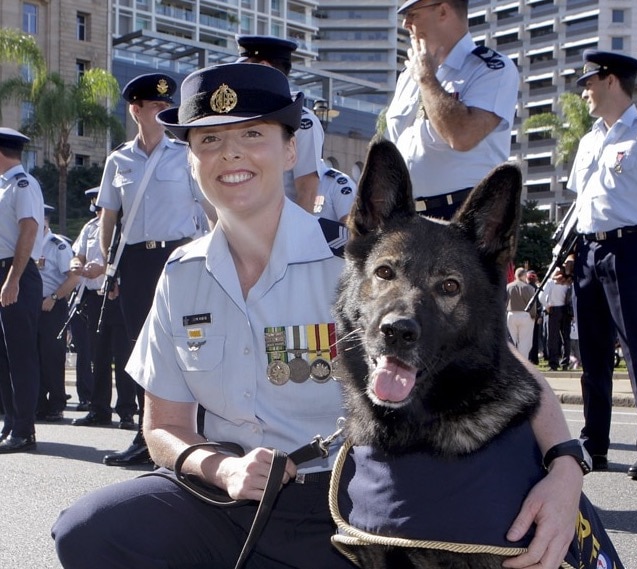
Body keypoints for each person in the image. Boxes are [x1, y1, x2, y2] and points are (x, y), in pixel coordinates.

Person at [53, 62, 584, 569]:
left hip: (345, 504)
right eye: (209, 140)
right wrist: (223, 468)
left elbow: (508, 367)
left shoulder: (362, 265)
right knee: (89, 532)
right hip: (227, 498)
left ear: (291, 150)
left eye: (253, 135)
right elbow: (164, 428)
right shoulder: (181, 273)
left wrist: (565, 470)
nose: (230, 155)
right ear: (190, 159)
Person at [568, 50, 637, 479]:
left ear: (611, 80)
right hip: (588, 250)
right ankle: (594, 444)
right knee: (592, 354)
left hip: (631, 250)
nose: (585, 93)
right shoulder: (590, 140)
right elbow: (580, 203)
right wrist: (571, 251)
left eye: (589, 83)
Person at [96, 72, 212, 467]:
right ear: (136, 111)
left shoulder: (184, 154)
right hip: (135, 260)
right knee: (139, 347)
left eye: (168, 107)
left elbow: (208, 207)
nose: (164, 112)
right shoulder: (119, 160)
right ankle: (145, 435)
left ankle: (193, 430)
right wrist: (110, 266)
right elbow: (108, 217)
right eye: (156, 107)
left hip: (178, 254)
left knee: (188, 341)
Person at [385, 0, 520, 220]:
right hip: (407, 216)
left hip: (462, 214)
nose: (406, 24)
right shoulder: (408, 76)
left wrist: (427, 79)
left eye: (413, 14)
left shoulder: (491, 69)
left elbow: (462, 135)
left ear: (443, 10)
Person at [235, 34, 326, 214]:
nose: (238, 76)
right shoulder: (244, 115)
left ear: (263, 67)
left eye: (244, 68)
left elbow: (307, 190)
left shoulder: (301, 120)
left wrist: (295, 239)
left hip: (279, 227)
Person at [69, 188, 136, 429]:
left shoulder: (125, 225)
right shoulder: (89, 228)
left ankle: (127, 410)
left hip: (118, 296)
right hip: (95, 298)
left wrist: (103, 269)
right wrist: (77, 264)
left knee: (123, 355)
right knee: (98, 355)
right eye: (97, 205)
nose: (99, 209)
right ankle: (98, 409)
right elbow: (79, 255)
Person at [0, 127, 44, 454]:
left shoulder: (22, 184)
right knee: (4, 356)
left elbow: (29, 229)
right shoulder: (4, 187)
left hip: (16, 273)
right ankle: (10, 423)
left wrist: (13, 278)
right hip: (4, 272)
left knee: (20, 356)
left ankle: (24, 429)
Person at [35, 205, 79, 422]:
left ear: (46, 221)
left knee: (52, 356)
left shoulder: (58, 246)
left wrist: (53, 298)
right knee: (33, 357)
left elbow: (73, 278)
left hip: (52, 305)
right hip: (29, 306)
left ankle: (57, 403)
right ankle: (39, 403)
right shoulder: (25, 243)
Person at [539, 267, 572, 371]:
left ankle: (554, 363)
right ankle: (565, 362)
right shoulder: (568, 282)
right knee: (566, 337)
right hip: (566, 310)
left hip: (553, 309)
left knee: (553, 338)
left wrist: (547, 305)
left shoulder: (550, 282)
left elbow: (541, 296)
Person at [506, 267, 537, 362]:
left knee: (511, 341)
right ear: (524, 275)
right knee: (524, 341)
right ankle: (523, 362)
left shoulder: (508, 287)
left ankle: (510, 361)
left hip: (511, 314)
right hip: (525, 315)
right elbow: (532, 304)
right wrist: (533, 315)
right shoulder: (529, 288)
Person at [526, 269, 543, 364]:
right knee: (535, 337)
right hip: (536, 315)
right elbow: (539, 303)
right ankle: (534, 358)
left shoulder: (526, 288)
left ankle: (529, 357)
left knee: (528, 338)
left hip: (527, 315)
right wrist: (539, 315)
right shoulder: (537, 288)